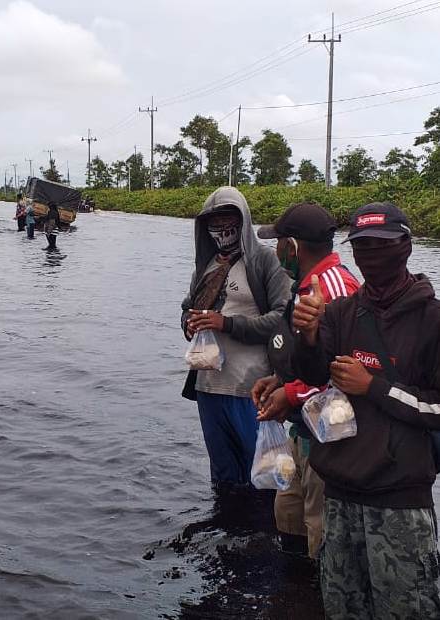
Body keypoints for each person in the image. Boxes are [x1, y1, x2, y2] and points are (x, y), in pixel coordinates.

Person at [292, 202, 440, 617]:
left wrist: (374, 386)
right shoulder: (341, 312)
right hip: (340, 494)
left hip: (400, 501)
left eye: (381, 244)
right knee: (342, 608)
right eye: (362, 246)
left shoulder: (432, 320)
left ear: (406, 247)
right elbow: (311, 373)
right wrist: (307, 334)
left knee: (407, 609)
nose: (371, 255)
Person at [250, 202, 359, 558]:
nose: (276, 250)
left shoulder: (335, 289)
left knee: (320, 527)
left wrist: (291, 394)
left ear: (293, 247)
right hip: (301, 428)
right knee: (289, 515)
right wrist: (277, 379)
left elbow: (345, 368)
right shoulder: (304, 288)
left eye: (279, 242)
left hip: (327, 436)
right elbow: (306, 355)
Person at [181, 186, 291, 487]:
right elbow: (187, 308)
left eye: (229, 219)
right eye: (214, 223)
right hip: (208, 387)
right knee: (224, 476)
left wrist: (227, 324)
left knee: (264, 475)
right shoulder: (205, 266)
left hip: (251, 388)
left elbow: (283, 319)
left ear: (243, 220)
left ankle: (265, 533)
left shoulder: (264, 262)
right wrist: (189, 324)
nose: (221, 229)